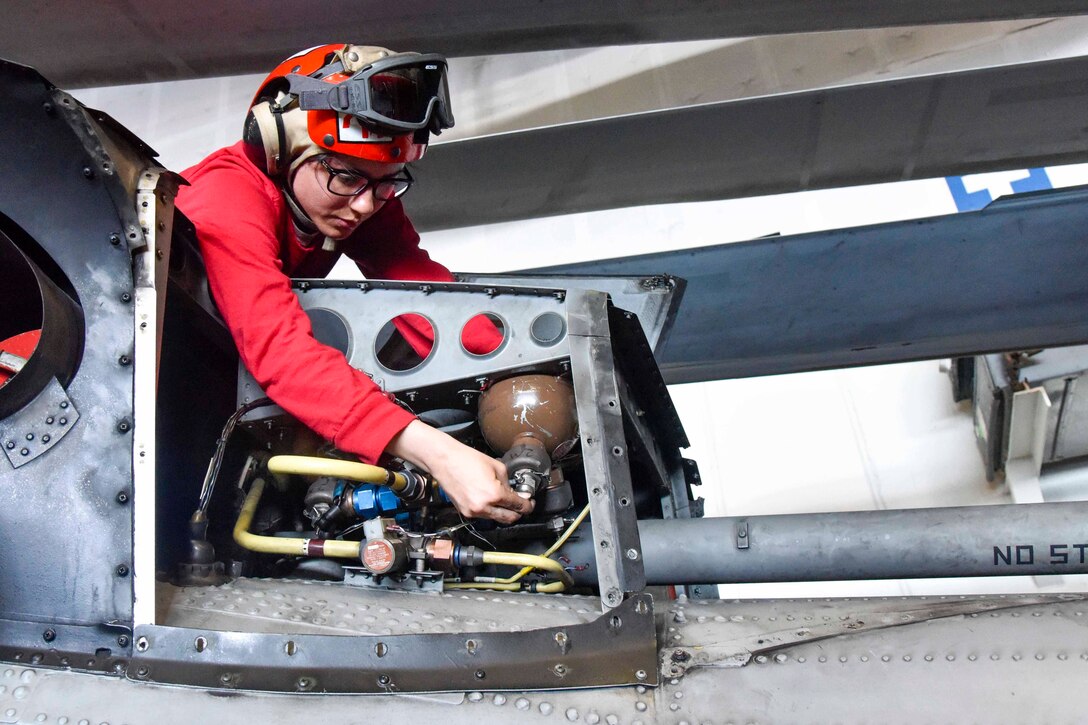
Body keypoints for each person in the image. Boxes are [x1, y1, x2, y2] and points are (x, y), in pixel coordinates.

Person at [175, 43, 532, 524]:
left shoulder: (360, 196)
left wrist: (517, 365)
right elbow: (280, 351)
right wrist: (439, 455)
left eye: (389, 183)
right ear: (280, 146)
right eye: (347, 177)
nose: (366, 206)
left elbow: (422, 291)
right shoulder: (224, 197)